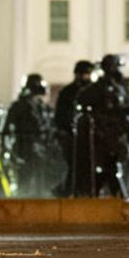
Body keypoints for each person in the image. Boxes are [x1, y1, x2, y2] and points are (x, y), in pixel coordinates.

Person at [77, 54, 129, 198]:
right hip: (105, 134)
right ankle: (117, 196)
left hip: (114, 132)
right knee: (110, 167)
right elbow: (86, 102)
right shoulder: (102, 87)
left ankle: (99, 194)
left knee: (109, 168)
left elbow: (120, 110)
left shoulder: (115, 87)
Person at [3, 74, 54, 196]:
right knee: (24, 180)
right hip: (23, 147)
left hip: (41, 148)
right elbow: (6, 129)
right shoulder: (18, 106)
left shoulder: (42, 106)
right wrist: (7, 149)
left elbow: (48, 125)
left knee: (41, 181)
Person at [52, 60, 94, 196]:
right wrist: (64, 131)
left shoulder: (92, 90)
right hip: (71, 136)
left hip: (89, 137)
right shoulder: (67, 92)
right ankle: (69, 190)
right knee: (73, 165)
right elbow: (60, 115)